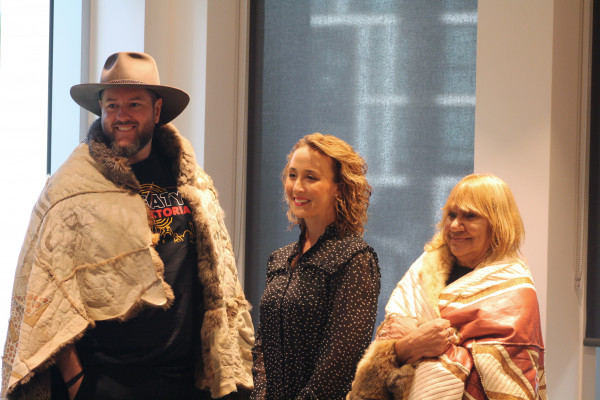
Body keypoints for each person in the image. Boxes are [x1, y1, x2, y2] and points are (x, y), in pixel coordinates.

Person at [1, 52, 254, 400]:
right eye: (112, 105)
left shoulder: (190, 182)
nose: (122, 116)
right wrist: (78, 382)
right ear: (101, 110)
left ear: (157, 110)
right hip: (109, 382)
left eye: (134, 104)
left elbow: (217, 280)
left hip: (184, 382)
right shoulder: (72, 189)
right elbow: (46, 291)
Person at [347, 173, 547, 400]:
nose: (454, 225)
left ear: (497, 224)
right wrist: (411, 346)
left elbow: (507, 378)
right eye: (451, 214)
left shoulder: (514, 290)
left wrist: (434, 346)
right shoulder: (422, 269)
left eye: (470, 216)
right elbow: (384, 350)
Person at [251, 133, 381, 400]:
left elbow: (340, 364)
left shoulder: (355, 258)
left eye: (311, 177)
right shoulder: (279, 259)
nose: (297, 187)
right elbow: (263, 346)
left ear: (339, 187)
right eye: (292, 175)